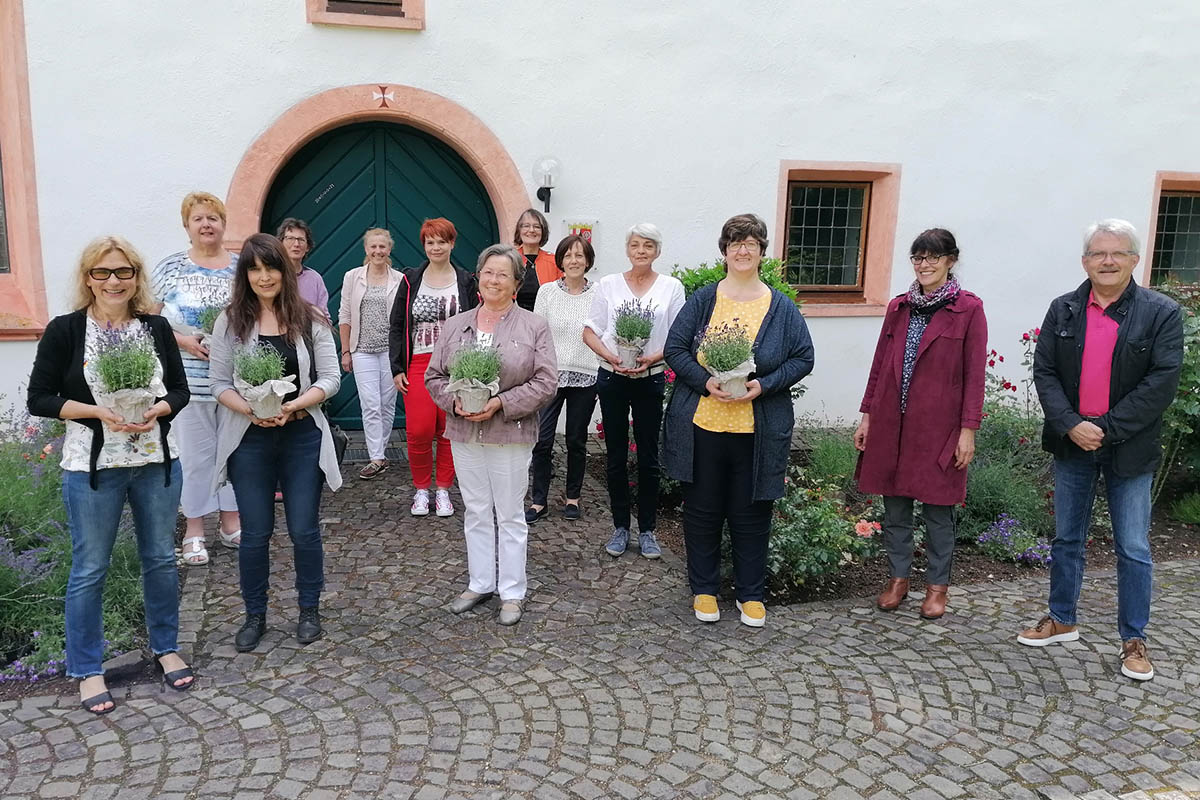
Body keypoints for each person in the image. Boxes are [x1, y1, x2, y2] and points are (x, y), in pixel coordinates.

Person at [27, 236, 194, 714]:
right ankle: (86, 668)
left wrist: (158, 410)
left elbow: (180, 391)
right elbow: (39, 398)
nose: (114, 281)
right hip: (92, 468)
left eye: (123, 272)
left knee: (161, 558)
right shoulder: (65, 330)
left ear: (136, 278)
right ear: (88, 279)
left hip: (155, 463)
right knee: (90, 568)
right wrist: (99, 413)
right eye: (103, 272)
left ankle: (165, 647)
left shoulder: (155, 328)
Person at [1016, 219, 1183, 682]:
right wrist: (1071, 424)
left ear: (1134, 259)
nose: (1107, 261)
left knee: (1133, 546)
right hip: (1073, 444)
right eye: (1098, 253)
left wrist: (1103, 429)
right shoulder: (1064, 309)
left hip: (1128, 447)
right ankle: (1062, 618)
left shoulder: (1160, 313)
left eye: (1117, 253)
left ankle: (1134, 639)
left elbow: (1160, 384)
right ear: (1085, 261)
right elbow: (1045, 371)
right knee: (1067, 537)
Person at [664, 214, 814, 628]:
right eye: (734, 244)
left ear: (762, 251)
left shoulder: (780, 307)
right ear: (724, 252)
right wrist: (703, 380)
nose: (742, 250)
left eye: (750, 243)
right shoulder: (704, 300)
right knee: (702, 511)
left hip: (755, 430)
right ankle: (705, 590)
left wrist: (763, 385)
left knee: (751, 513)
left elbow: (804, 357)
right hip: (703, 426)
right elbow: (675, 348)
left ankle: (751, 595)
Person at [209, 233, 342, 651]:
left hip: (302, 434)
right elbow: (218, 383)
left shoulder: (311, 319)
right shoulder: (230, 321)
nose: (263, 276)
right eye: (254, 268)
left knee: (304, 529)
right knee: (255, 533)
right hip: (249, 439)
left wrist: (298, 404)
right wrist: (250, 410)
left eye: (270, 267)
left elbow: (331, 377)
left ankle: (308, 610)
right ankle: (255, 615)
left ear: (284, 270)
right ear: (245, 274)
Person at [853, 228, 987, 620]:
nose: (924, 265)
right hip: (892, 423)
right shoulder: (899, 307)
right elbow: (879, 366)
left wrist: (968, 431)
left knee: (938, 510)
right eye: (918, 257)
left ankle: (936, 588)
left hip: (939, 428)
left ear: (950, 260)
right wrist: (867, 416)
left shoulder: (967, 309)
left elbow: (974, 376)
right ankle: (898, 580)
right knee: (894, 507)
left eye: (932, 257)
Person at [426, 244, 557, 626]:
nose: (493, 280)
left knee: (511, 513)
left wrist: (500, 403)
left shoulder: (534, 326)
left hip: (510, 433)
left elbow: (547, 382)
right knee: (477, 510)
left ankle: (512, 591)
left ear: (516, 283)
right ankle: (480, 582)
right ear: (478, 278)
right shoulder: (455, 324)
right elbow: (433, 376)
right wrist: (455, 405)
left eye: (502, 274)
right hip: (464, 431)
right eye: (488, 272)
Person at [583, 222, 685, 559]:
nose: (641, 251)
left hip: (650, 377)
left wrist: (653, 357)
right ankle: (620, 527)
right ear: (627, 249)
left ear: (657, 251)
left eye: (648, 246)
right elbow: (590, 332)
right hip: (612, 377)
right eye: (636, 245)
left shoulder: (671, 287)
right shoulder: (608, 285)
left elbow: (678, 337)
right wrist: (612, 357)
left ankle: (647, 530)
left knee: (648, 457)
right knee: (614, 455)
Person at [151, 191, 241, 566]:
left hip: (235, 380)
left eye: (213, 218)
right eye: (199, 219)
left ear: (223, 224)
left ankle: (232, 521)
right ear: (187, 226)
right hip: (187, 382)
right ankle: (195, 529)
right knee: (195, 457)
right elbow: (149, 321)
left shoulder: (240, 266)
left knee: (234, 454)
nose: (207, 225)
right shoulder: (171, 267)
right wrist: (183, 341)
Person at [389, 218, 478, 516]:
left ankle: (443, 490)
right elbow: (397, 325)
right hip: (420, 363)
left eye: (442, 241)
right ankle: (421, 490)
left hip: (457, 366)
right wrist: (396, 367)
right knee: (419, 429)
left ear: (452, 243)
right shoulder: (411, 279)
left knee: (448, 428)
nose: (436, 247)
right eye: (430, 242)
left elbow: (478, 322)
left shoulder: (466, 280)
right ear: (424, 245)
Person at [527, 234, 601, 523]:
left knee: (576, 439)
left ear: (588, 261)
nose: (574, 260)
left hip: (586, 373)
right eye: (568, 255)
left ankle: (573, 497)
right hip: (550, 375)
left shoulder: (599, 294)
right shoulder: (546, 292)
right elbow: (538, 335)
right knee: (542, 440)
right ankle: (538, 500)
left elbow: (602, 332)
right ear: (560, 260)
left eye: (580, 255)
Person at [339, 228, 407, 480]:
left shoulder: (399, 279)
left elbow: (403, 319)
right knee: (370, 403)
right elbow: (344, 315)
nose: (378, 251)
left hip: (390, 351)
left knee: (387, 404)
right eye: (373, 247)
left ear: (389, 249)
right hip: (362, 349)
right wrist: (346, 350)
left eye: (382, 247)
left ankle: (380, 452)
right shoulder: (352, 277)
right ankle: (376, 456)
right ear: (366, 249)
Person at [277, 217, 330, 320]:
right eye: (290, 238)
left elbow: (324, 318)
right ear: (280, 243)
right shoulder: (273, 276)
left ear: (307, 247)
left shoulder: (314, 278)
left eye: (301, 240)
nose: (296, 244)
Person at [512, 208, 558, 311]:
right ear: (519, 231)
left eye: (537, 227)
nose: (531, 230)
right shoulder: (510, 259)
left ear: (543, 231)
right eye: (526, 226)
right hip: (514, 318)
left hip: (545, 319)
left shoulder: (554, 261)